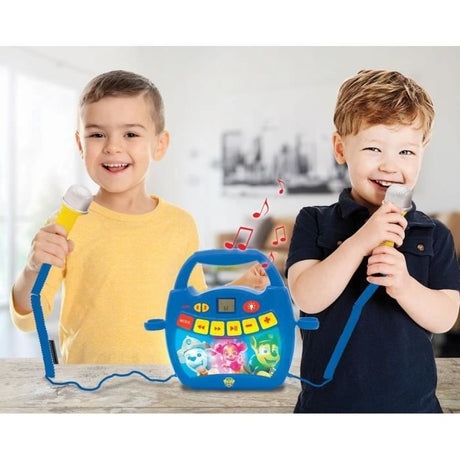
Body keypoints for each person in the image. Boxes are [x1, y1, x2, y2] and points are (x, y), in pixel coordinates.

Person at [10, 70, 268, 365]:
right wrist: (32, 269)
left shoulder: (180, 224)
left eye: (130, 134)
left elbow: (195, 310)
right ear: (80, 145)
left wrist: (241, 286)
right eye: (97, 134)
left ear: (159, 145)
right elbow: (28, 319)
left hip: (166, 382)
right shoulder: (65, 225)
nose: (112, 146)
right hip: (88, 386)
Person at [286, 69, 460, 413]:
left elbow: (445, 317)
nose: (390, 166)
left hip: (413, 411)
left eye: (406, 152)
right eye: (373, 148)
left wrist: (404, 286)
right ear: (340, 148)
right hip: (327, 409)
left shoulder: (433, 233)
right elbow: (306, 296)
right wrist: (360, 241)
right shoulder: (314, 220)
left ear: (422, 154)